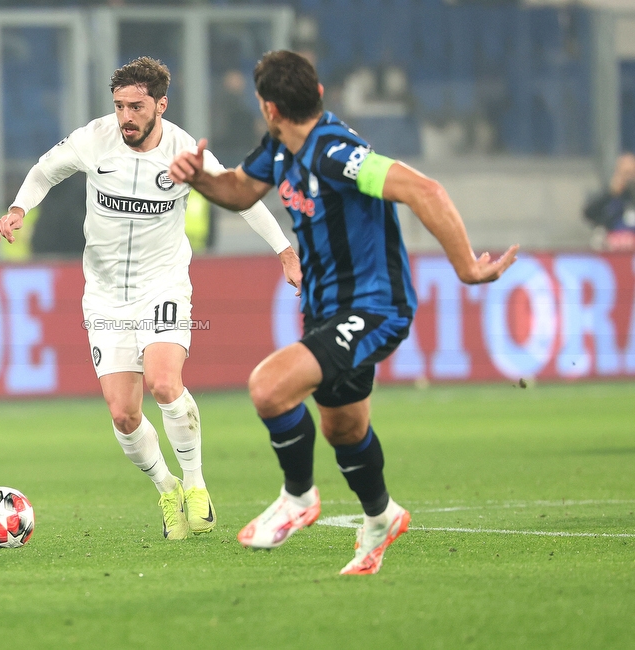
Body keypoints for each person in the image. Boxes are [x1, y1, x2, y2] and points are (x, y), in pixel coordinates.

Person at [169, 50, 518, 573]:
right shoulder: (281, 147)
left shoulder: (336, 152)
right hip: (325, 310)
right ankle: (381, 516)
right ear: (317, 95)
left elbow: (424, 189)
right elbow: (240, 190)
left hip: (374, 307)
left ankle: (298, 497)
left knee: (268, 387)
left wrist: (466, 267)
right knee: (344, 429)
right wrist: (199, 178)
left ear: (268, 108)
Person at [0, 57, 301, 540]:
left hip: (163, 284)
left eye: (136, 106)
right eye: (119, 106)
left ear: (161, 104)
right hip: (104, 294)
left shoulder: (182, 152)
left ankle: (197, 485)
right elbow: (43, 171)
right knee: (123, 413)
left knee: (163, 383)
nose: (126, 117)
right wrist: (18, 208)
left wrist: (285, 252)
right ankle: (166, 488)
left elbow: (238, 196)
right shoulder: (93, 139)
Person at [583, 152, 635, 252]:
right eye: (625, 174)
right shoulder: (609, 197)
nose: (628, 179)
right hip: (612, 251)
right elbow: (588, 213)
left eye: (631, 173)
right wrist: (610, 193)